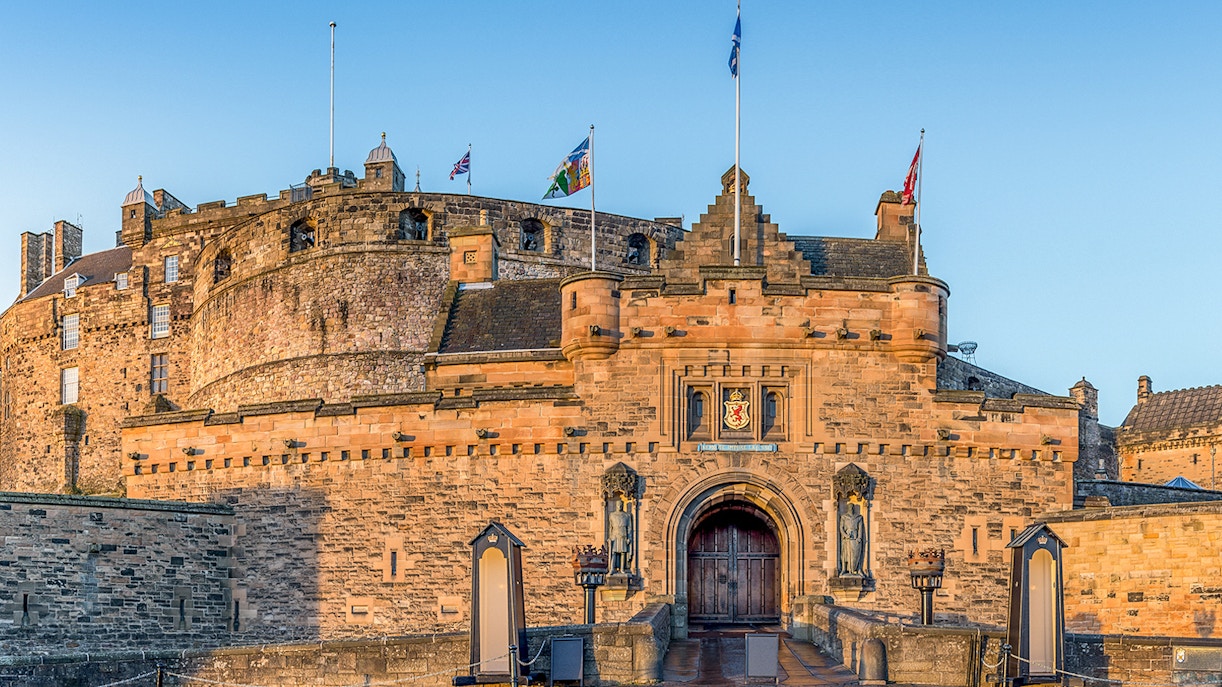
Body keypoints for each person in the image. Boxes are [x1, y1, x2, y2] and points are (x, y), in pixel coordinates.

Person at [839, 503, 865, 575]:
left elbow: (860, 528)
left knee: (856, 554)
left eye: (852, 507)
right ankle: (844, 569)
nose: (851, 508)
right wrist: (845, 535)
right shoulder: (844, 517)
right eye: (849, 507)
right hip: (847, 539)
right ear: (848, 508)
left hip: (855, 538)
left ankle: (858, 569)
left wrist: (859, 538)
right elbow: (841, 528)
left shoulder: (858, 517)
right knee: (845, 555)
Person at [608, 500, 632, 573]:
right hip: (614, 535)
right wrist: (610, 537)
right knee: (613, 553)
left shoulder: (627, 515)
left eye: (621, 504)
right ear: (616, 505)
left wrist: (629, 537)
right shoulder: (612, 515)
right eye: (618, 504)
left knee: (623, 553)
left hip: (623, 535)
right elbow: (610, 527)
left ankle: (622, 569)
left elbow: (629, 528)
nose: (620, 506)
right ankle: (612, 568)